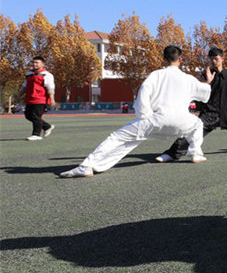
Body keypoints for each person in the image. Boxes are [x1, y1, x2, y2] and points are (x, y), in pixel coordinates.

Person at [60, 46, 213, 178]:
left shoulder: (156, 75)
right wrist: (208, 82)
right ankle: (196, 153)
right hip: (182, 122)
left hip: (157, 119)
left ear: (164, 59)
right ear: (180, 59)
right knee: (197, 124)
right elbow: (204, 94)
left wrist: (144, 116)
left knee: (117, 137)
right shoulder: (188, 79)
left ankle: (86, 166)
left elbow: (144, 91)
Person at [155, 47, 227, 163]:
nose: (214, 61)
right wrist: (202, 83)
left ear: (222, 59)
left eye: (216, 59)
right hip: (210, 113)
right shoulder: (206, 75)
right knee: (192, 132)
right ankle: (170, 154)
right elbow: (196, 91)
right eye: (211, 59)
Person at [19, 56, 55, 141]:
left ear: (42, 64)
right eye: (33, 62)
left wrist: (52, 99)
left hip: (40, 99)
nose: (34, 64)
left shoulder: (47, 75)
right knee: (28, 115)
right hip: (30, 98)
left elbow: (50, 87)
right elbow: (24, 86)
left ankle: (36, 134)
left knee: (35, 115)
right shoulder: (29, 74)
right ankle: (47, 126)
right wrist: (19, 96)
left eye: (37, 63)